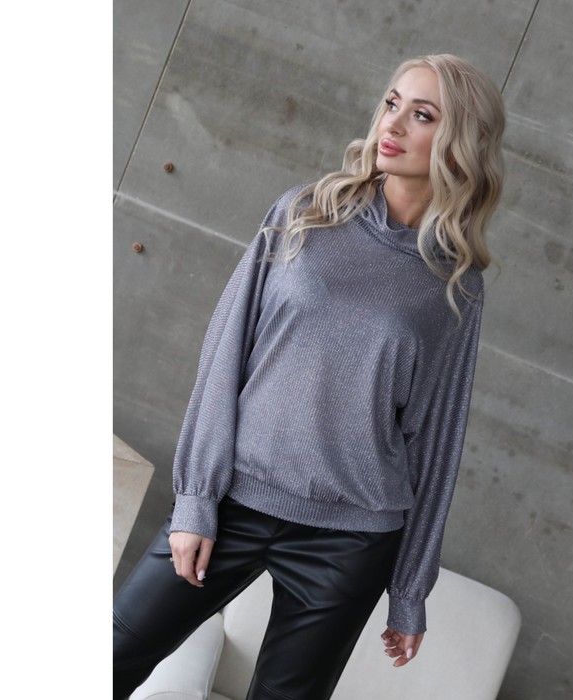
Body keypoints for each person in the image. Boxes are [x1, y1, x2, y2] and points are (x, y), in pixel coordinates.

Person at [113, 53, 505, 700]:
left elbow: (436, 442)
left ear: (461, 142)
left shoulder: (455, 282)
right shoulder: (304, 213)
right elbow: (224, 357)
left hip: (351, 540)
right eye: (393, 103)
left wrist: (409, 590)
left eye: (423, 115)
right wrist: (196, 500)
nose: (393, 123)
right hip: (235, 501)